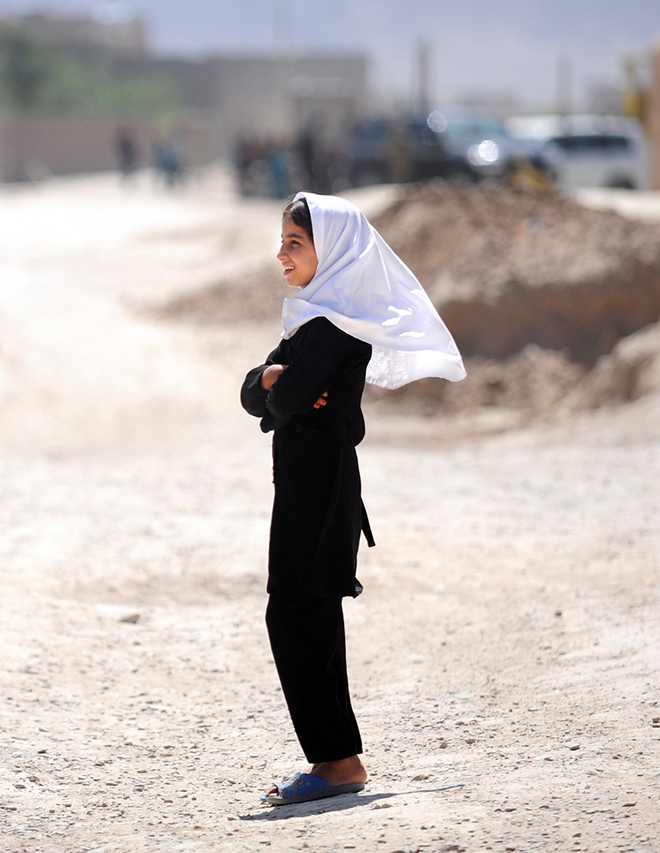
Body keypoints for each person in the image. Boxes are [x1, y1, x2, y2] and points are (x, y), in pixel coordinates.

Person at [240, 192, 465, 805]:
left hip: (323, 485)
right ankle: (338, 759)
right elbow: (254, 395)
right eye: (283, 242)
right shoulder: (312, 318)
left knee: (296, 612)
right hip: (305, 483)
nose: (281, 255)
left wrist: (277, 391)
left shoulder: (338, 327)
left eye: (295, 244)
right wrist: (270, 382)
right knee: (304, 611)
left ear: (330, 251)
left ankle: (337, 762)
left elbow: (281, 403)